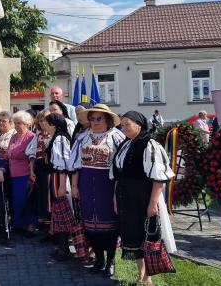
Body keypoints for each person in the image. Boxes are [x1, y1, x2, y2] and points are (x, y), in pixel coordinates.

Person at [112, 111, 177, 285]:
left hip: (144, 196)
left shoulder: (150, 144)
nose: (124, 128)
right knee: (132, 234)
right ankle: (140, 272)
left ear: (139, 125)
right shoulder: (125, 144)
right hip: (126, 196)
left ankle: (149, 276)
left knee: (146, 234)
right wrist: (115, 198)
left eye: (127, 124)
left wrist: (153, 203)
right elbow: (118, 175)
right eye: (122, 125)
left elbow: (159, 178)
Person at [71, 103, 125, 277]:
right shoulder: (82, 138)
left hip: (107, 185)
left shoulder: (117, 137)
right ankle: (99, 259)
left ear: (107, 120)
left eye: (99, 118)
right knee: (90, 225)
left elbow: (122, 165)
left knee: (109, 224)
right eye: (92, 118)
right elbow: (75, 165)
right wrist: (74, 186)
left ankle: (110, 261)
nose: (94, 121)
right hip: (86, 184)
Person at [45, 113, 87, 263]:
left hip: (60, 179)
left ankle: (65, 251)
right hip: (57, 177)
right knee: (59, 215)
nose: (44, 126)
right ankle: (63, 249)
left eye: (47, 123)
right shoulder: (57, 137)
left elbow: (63, 163)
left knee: (63, 214)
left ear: (53, 125)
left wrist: (62, 186)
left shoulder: (60, 138)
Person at [5, 111, 36, 235]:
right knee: (17, 200)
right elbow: (8, 152)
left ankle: (30, 226)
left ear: (26, 123)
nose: (17, 126)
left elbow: (30, 156)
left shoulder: (31, 137)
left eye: (20, 123)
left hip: (25, 173)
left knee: (26, 200)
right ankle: (19, 225)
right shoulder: (14, 136)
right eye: (15, 123)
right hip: (13, 174)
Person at [27, 111, 54, 230]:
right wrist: (32, 171)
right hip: (40, 168)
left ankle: (52, 228)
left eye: (45, 120)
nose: (43, 123)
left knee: (50, 196)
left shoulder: (55, 135)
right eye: (41, 121)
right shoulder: (37, 136)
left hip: (51, 169)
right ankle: (44, 227)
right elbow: (32, 154)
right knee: (41, 196)